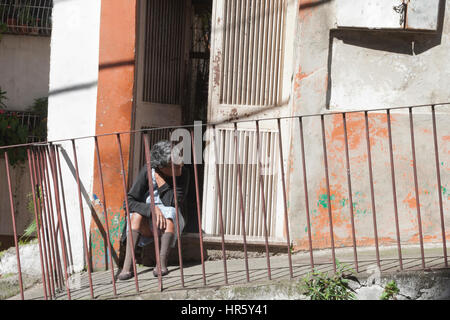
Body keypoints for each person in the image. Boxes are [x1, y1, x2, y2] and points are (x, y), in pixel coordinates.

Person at [118, 140, 189, 280]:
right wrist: (151, 209)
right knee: (136, 215)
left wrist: (161, 182)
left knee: (170, 213)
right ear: (161, 167)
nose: (180, 165)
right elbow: (129, 202)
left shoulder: (183, 173)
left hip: (170, 221)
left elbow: (174, 202)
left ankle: (161, 263)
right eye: (174, 165)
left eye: (180, 161)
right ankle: (127, 266)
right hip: (148, 217)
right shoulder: (147, 170)